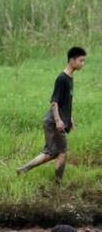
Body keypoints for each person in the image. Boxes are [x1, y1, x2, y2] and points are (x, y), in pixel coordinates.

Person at [16, 47, 87, 183]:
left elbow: (65, 102)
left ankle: (23, 169)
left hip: (58, 120)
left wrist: (69, 118)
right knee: (62, 152)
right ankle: (57, 184)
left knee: (52, 152)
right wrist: (58, 120)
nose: (82, 64)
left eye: (84, 61)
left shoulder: (70, 78)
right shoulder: (62, 78)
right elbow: (54, 102)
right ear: (71, 60)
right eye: (81, 60)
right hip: (54, 121)